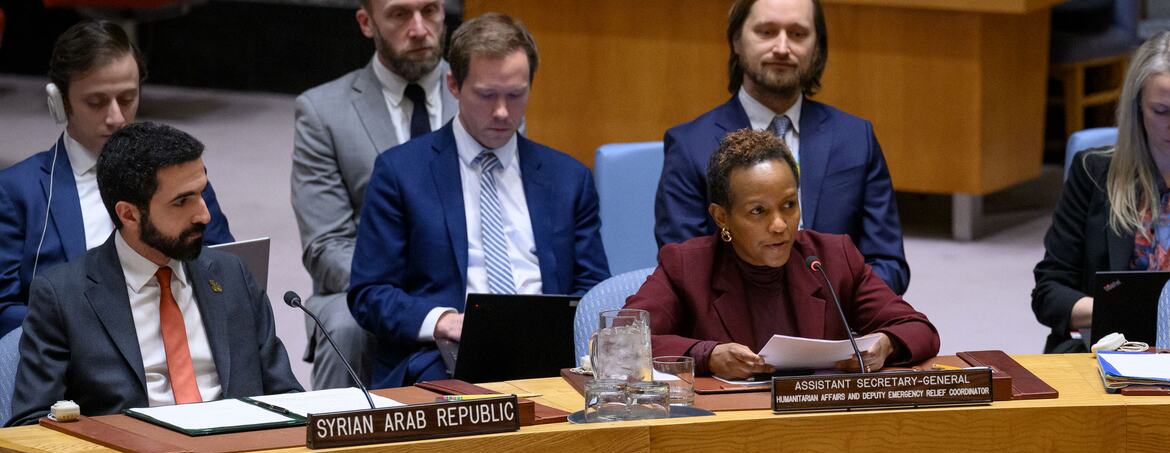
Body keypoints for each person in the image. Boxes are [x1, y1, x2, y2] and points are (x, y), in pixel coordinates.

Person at [349, 13, 610, 388]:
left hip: (552, 358)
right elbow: (370, 294)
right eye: (487, 95)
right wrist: (442, 320)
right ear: (453, 85)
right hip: (445, 357)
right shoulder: (400, 173)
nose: (502, 111)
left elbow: (593, 286)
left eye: (516, 95)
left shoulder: (568, 178)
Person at [5, 123, 300, 427]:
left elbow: (287, 398)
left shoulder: (231, 274)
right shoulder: (63, 296)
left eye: (201, 193)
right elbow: (31, 426)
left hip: (241, 449)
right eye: (182, 201)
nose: (204, 215)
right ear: (129, 214)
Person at [626, 129, 937, 379]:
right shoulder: (688, 266)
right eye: (758, 211)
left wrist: (886, 344)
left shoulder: (830, 258)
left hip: (819, 420)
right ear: (721, 217)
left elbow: (918, 329)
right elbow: (625, 340)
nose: (780, 225)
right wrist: (707, 355)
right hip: (726, 425)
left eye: (789, 205)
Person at [654, 0, 910, 295]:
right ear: (736, 40)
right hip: (736, 319)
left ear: (817, 47)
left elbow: (888, 263)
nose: (782, 47)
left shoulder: (856, 138)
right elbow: (684, 272)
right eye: (766, 32)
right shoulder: (690, 146)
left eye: (798, 34)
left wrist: (825, 309)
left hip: (841, 314)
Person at [0, 21, 233, 337]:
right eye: (96, 102)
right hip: (73, 356)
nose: (116, 118)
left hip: (177, 338)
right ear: (59, 101)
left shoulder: (180, 173)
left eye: (127, 98)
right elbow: (4, 309)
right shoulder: (17, 192)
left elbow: (227, 272)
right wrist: (79, 330)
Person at [291, 0, 458, 390]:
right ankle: (335, 430)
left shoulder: (486, 95)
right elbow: (325, 245)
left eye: (430, 10)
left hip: (464, 272)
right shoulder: (322, 112)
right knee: (347, 326)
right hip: (366, 281)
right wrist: (399, 297)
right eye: (400, 14)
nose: (419, 28)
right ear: (366, 23)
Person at [1033, 32, 1170, 353]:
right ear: (1137, 108)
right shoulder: (1093, 173)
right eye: (1161, 111)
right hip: (1108, 351)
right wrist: (1120, 311)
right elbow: (1049, 293)